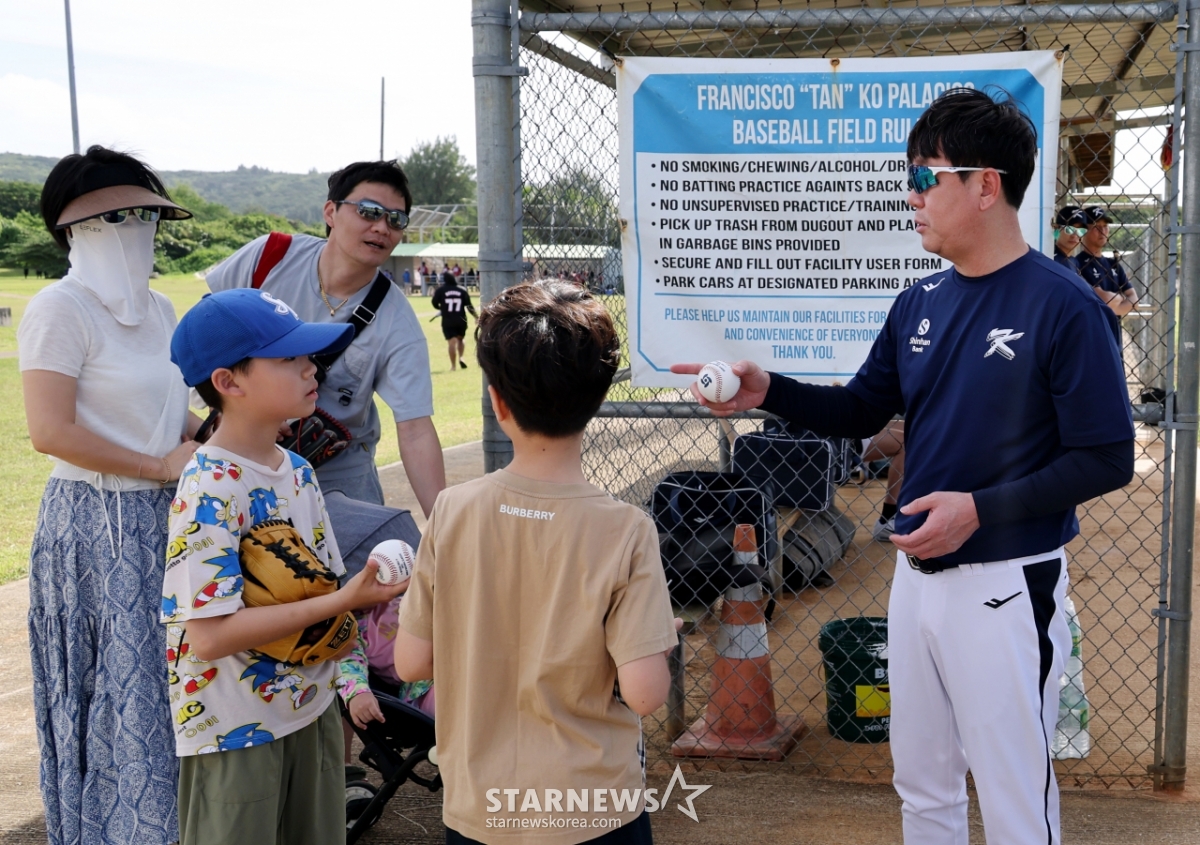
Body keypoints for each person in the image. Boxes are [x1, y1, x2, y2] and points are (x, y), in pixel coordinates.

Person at [674, 88, 1134, 845]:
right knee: (922, 787)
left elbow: (1108, 456)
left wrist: (979, 509)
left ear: (987, 185)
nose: (910, 195)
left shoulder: (1064, 305)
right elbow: (860, 409)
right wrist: (768, 390)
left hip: (1008, 580)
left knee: (1017, 799)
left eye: (925, 176)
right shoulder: (918, 300)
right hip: (915, 581)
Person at [394, 280, 680, 844]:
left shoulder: (452, 511)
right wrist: (654, 641)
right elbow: (646, 694)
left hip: (479, 808)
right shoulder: (625, 529)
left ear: (498, 401)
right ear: (598, 398)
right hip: (593, 807)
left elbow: (410, 663)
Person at [164, 288, 407, 845]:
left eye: (309, 355)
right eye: (288, 358)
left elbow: (325, 585)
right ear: (228, 382)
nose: (310, 368)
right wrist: (347, 602)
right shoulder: (209, 486)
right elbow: (209, 636)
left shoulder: (297, 471)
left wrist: (346, 679)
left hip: (312, 711)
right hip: (235, 731)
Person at [18, 146, 199, 845]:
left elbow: (169, 409)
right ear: (72, 230)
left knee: (165, 684)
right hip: (95, 526)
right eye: (111, 218)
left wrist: (212, 444)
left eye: (142, 215)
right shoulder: (59, 309)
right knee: (113, 687)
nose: (131, 229)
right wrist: (157, 464)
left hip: (166, 516)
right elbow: (50, 429)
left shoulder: (161, 308)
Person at [206, 160, 445, 514]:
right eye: (368, 212)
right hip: (238, 461)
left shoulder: (398, 323)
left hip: (335, 481)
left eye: (396, 219)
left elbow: (415, 429)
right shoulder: (270, 256)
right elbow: (205, 332)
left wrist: (444, 527)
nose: (382, 227)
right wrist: (227, 413)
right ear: (331, 211)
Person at [1077, 206, 1139, 348]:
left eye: (1105, 226)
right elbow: (1104, 299)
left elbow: (1134, 301)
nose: (1103, 231)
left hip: (1114, 339)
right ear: (1083, 230)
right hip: (1092, 339)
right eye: (1096, 226)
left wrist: (1109, 305)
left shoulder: (1113, 264)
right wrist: (1121, 298)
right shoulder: (1078, 264)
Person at [431, 269, 478, 371]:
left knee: (452, 342)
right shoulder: (462, 290)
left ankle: (453, 366)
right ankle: (461, 357)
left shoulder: (440, 290)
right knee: (460, 339)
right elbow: (469, 306)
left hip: (448, 320)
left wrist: (441, 308)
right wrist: (476, 317)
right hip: (461, 319)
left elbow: (434, 303)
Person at [1052, 205, 1088, 274]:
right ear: (1057, 228)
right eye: (1069, 229)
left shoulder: (1074, 262)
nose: (1074, 235)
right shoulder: (1051, 257)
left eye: (1081, 231)